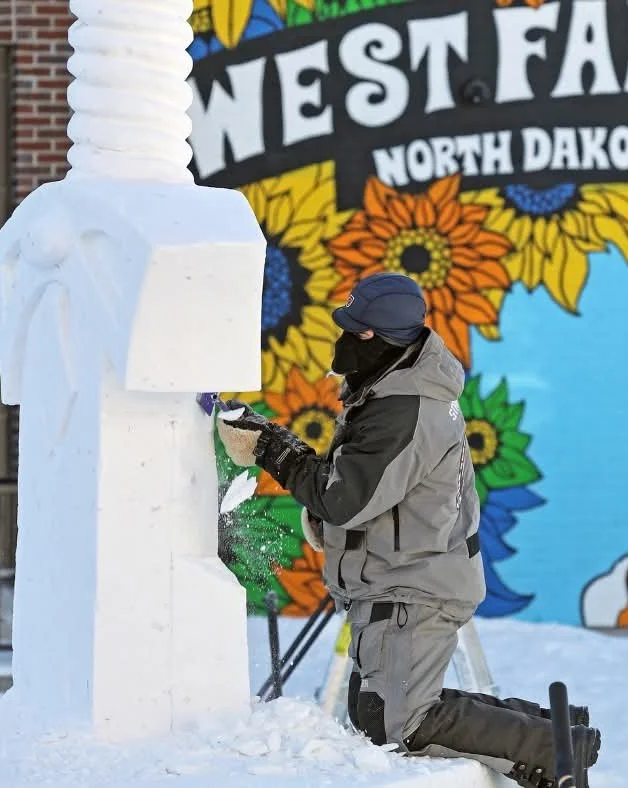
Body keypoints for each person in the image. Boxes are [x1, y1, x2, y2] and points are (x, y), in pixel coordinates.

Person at [216, 272, 601, 786]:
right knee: (377, 705)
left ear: (379, 338)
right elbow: (378, 487)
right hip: (413, 571)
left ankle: (556, 751)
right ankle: (555, 726)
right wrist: (328, 524)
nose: (345, 341)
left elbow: (342, 497)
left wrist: (270, 448)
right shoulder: (398, 385)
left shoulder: (403, 407)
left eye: (355, 331)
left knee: (397, 721)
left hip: (413, 584)